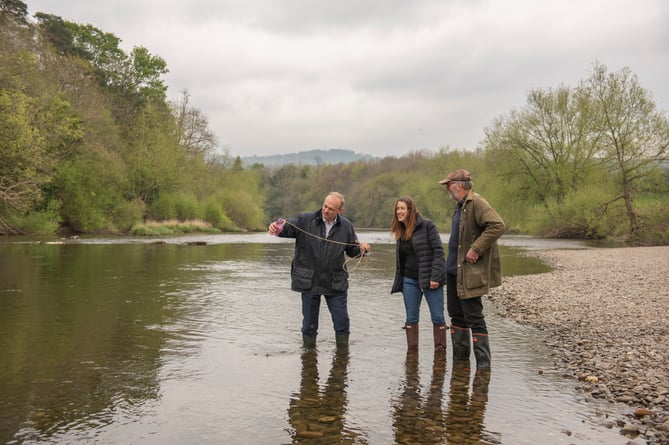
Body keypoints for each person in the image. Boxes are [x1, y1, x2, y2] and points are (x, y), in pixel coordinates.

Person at [268, 192, 371, 349]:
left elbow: (352, 250)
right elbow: (287, 226)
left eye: (330, 208)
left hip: (335, 282)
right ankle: (309, 360)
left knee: (342, 322)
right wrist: (277, 226)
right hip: (310, 281)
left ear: (339, 211)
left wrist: (363, 250)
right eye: (325, 206)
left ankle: (342, 359)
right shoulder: (305, 219)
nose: (326, 210)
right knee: (309, 325)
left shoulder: (346, 226)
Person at [439, 169, 505, 370]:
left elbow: (497, 225)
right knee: (456, 316)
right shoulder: (460, 206)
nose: (448, 190)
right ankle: (461, 366)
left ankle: (483, 369)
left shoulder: (477, 203)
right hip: (453, 272)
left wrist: (476, 248)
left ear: (459, 185)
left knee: (474, 317)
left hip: (470, 274)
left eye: (449, 186)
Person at [390, 197, 448, 356]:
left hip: (430, 280)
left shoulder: (427, 226)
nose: (399, 211)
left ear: (411, 210)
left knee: (437, 316)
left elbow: (438, 251)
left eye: (402, 208)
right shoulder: (401, 231)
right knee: (411, 318)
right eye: (397, 209)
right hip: (409, 280)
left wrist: (435, 277)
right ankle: (412, 357)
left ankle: (440, 356)